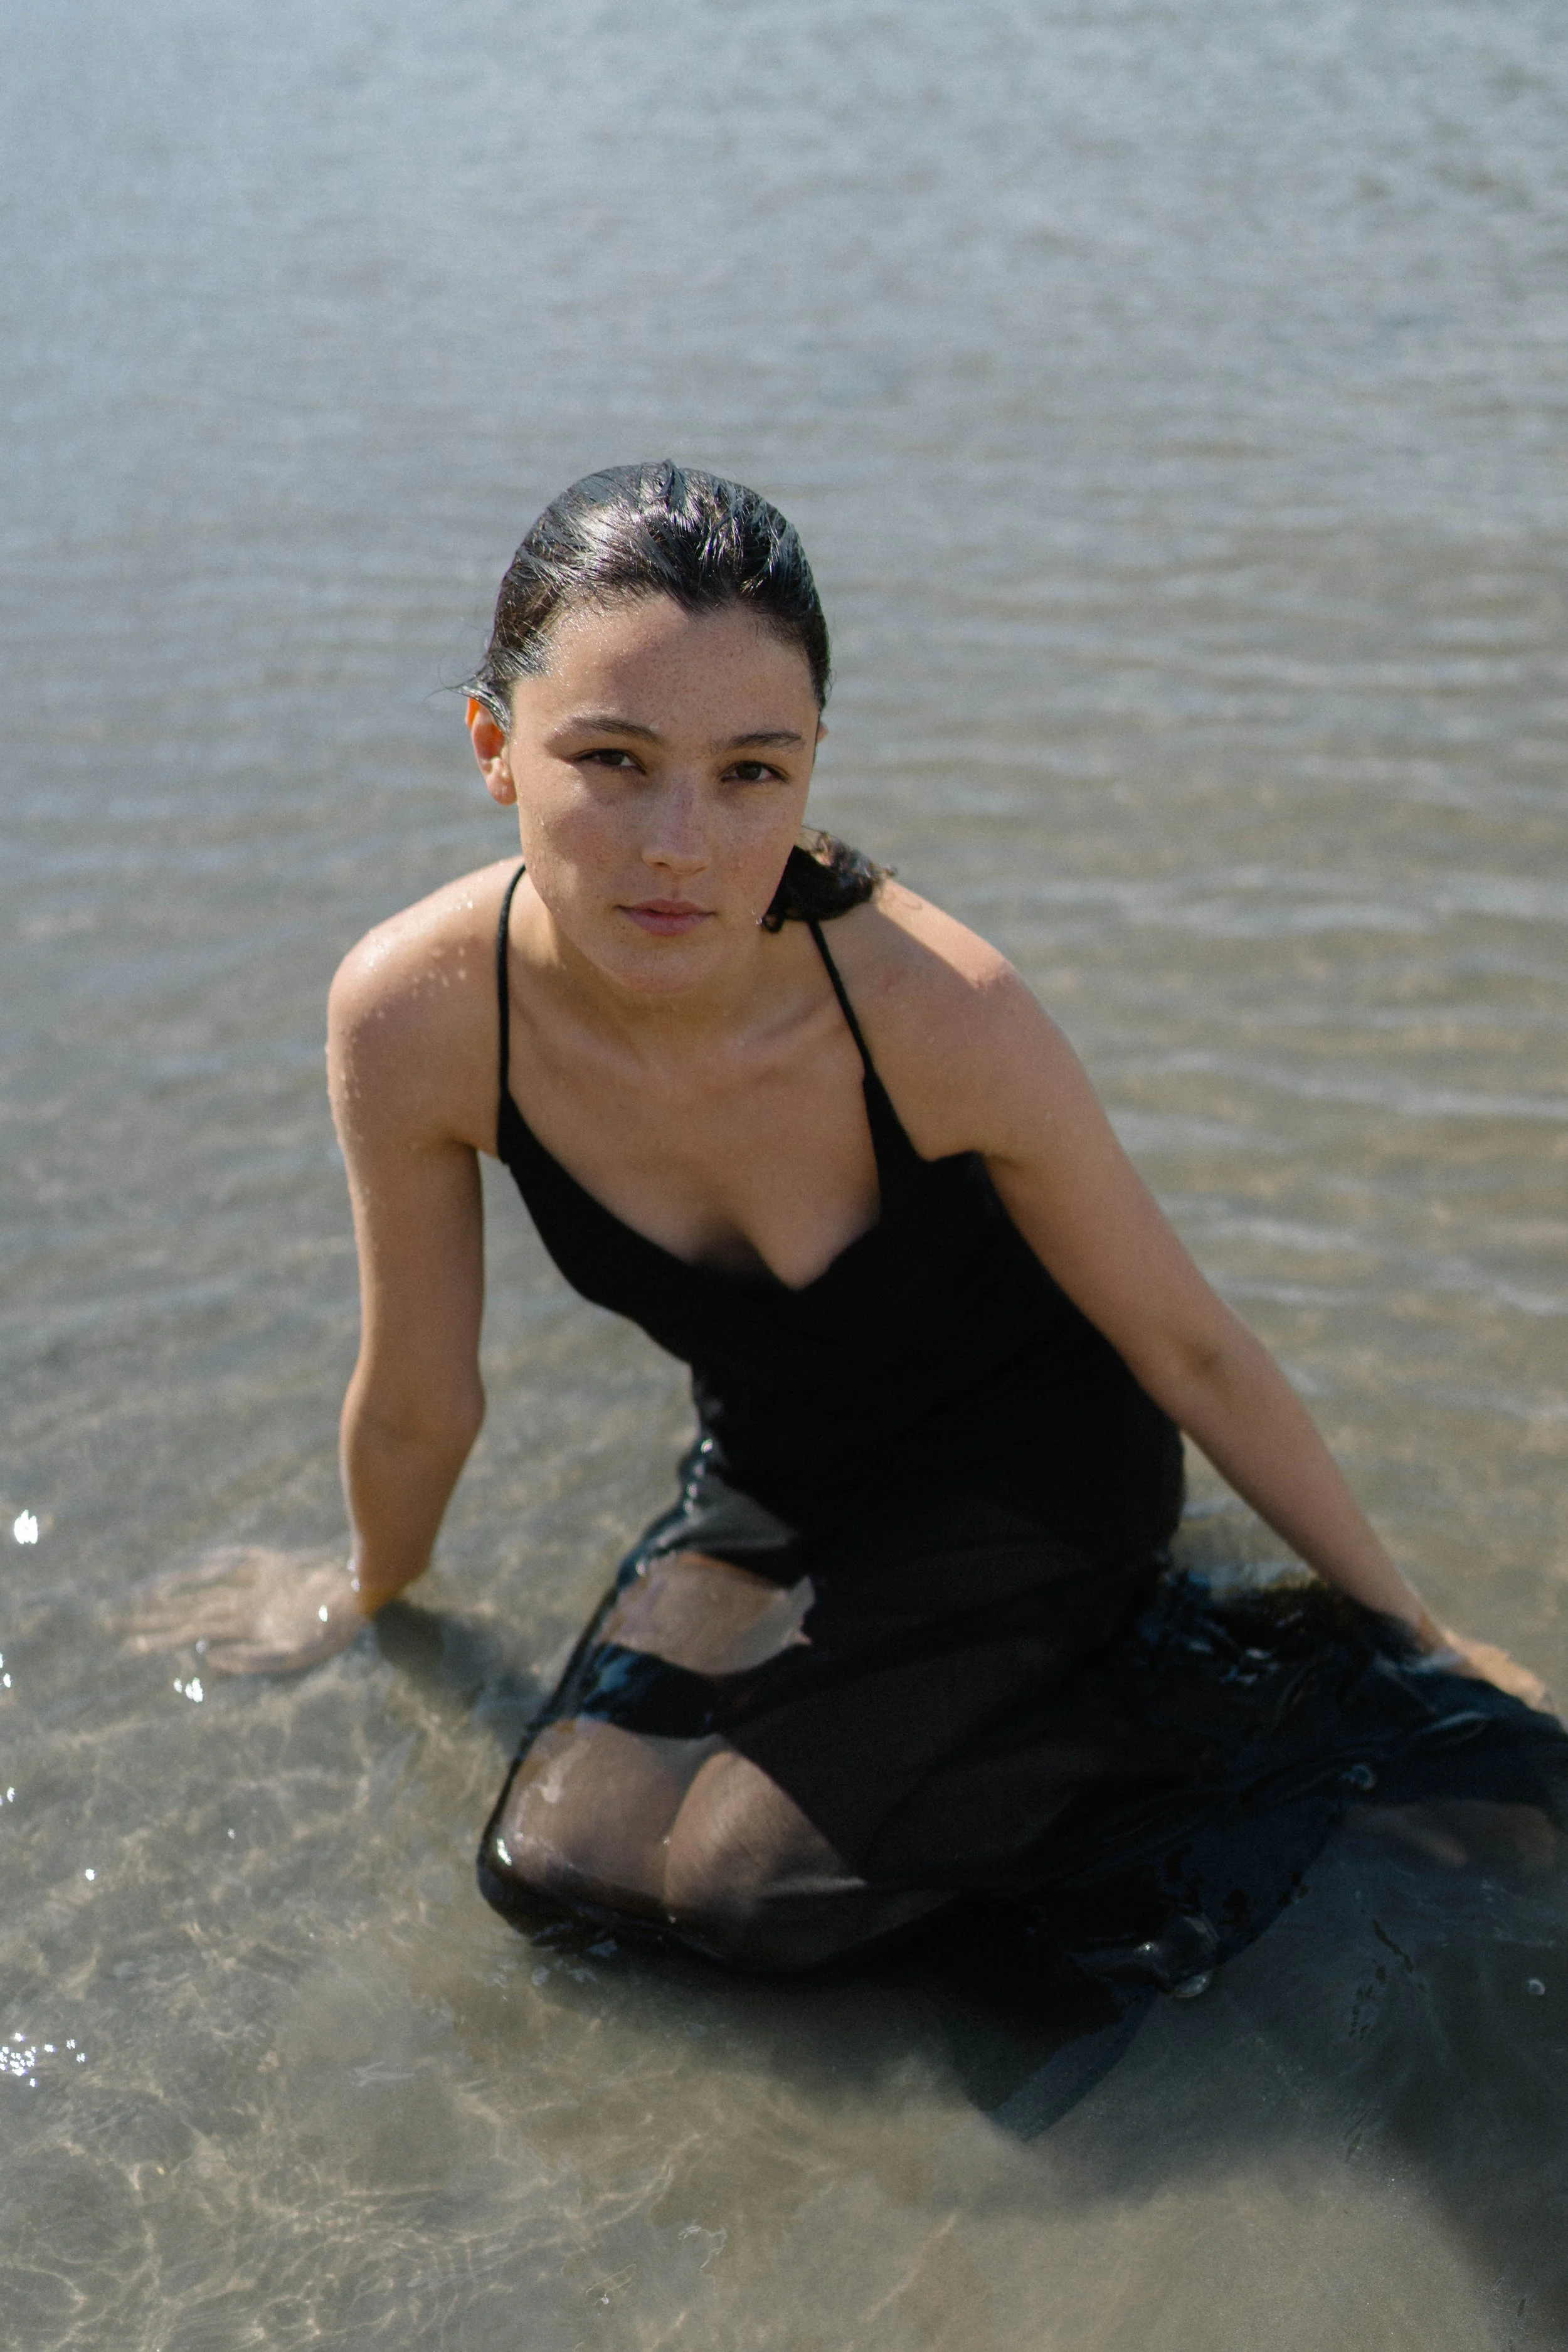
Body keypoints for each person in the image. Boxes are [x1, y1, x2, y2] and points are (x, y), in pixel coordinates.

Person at [137, 463, 1564, 1996]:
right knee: (562, 1875)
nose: (679, 843)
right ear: (495, 747)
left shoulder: (931, 1010)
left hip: (1040, 1479)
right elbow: (422, 1392)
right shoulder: (418, 1015)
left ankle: (1254, 1694)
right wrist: (364, 1585)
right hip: (774, 1475)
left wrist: (1409, 1633)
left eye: (751, 771)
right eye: (612, 759)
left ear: (810, 770)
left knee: (750, 1893)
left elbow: (1186, 1343)